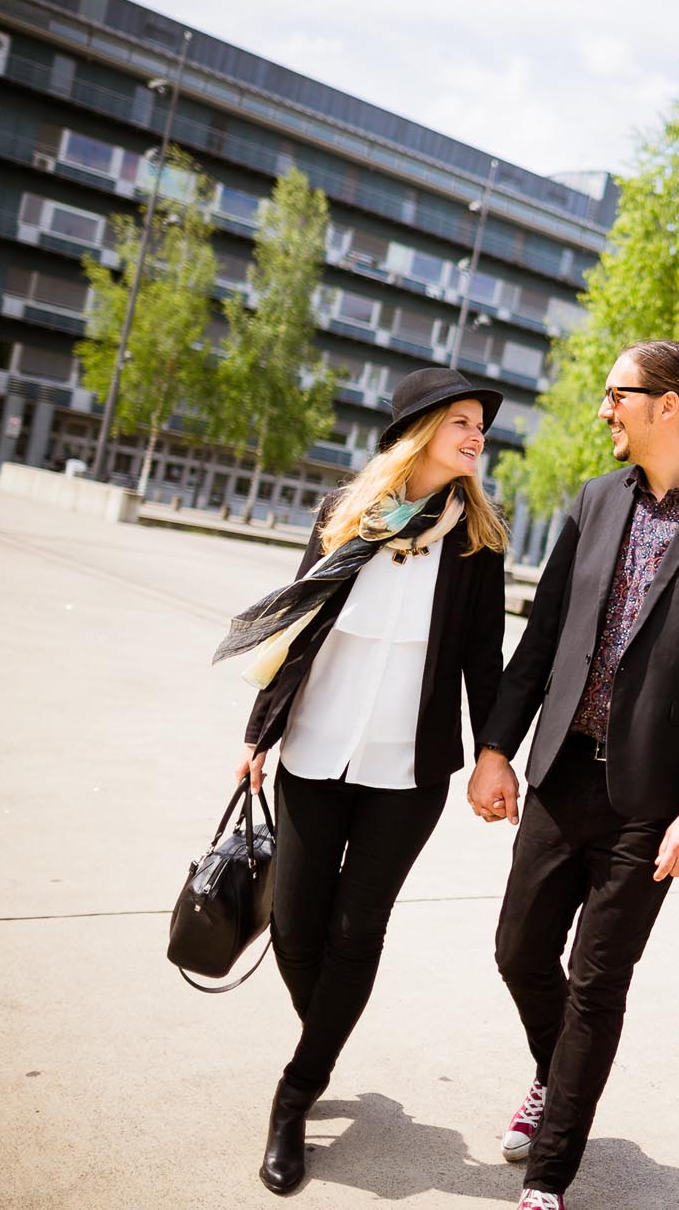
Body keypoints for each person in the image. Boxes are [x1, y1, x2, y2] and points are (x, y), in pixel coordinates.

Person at [467, 340, 679, 1210]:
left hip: (654, 803)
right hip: (562, 773)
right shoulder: (594, 502)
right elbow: (542, 639)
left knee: (598, 981)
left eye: (619, 394)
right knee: (519, 950)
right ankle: (555, 1071)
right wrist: (496, 746)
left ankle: (547, 1178)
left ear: (668, 404)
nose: (605, 409)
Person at [214, 368, 508, 1197]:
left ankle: (295, 1092)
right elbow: (297, 625)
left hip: (407, 769)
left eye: (480, 423)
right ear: (418, 428)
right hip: (315, 749)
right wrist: (257, 734)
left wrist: (493, 751)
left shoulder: (478, 541)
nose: (478, 432)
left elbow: (482, 661)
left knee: (356, 929)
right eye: (461, 420)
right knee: (296, 924)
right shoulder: (345, 516)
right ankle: (325, 1042)